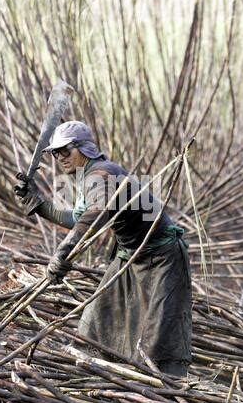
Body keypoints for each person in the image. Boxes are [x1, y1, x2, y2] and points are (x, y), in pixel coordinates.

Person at [14, 121, 192, 377]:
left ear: (84, 149)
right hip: (131, 256)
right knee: (98, 317)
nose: (60, 157)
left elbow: (96, 215)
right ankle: (101, 372)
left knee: (161, 333)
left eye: (66, 150)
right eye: (56, 152)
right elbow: (79, 219)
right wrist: (40, 205)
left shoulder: (101, 174)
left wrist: (64, 250)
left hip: (162, 256)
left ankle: (165, 390)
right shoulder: (88, 178)